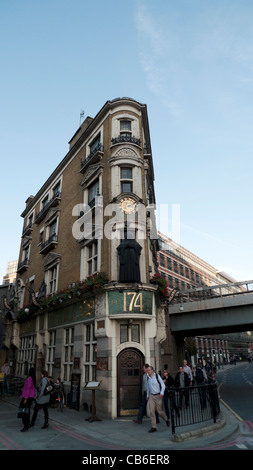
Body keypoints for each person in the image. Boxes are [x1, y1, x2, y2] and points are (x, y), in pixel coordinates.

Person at [146, 366, 170, 433]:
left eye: (149, 370)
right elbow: (148, 387)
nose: (148, 371)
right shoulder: (148, 378)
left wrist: (162, 393)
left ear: (152, 370)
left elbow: (163, 385)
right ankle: (154, 427)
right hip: (151, 396)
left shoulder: (157, 376)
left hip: (158, 395)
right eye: (147, 370)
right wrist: (147, 395)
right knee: (152, 411)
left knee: (159, 411)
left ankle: (166, 420)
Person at [18, 367, 37, 432]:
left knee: (23, 411)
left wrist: (25, 398)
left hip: (27, 397)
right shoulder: (34, 379)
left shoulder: (29, 378)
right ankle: (27, 425)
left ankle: (25, 426)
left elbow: (28, 388)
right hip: (30, 397)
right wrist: (34, 395)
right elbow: (33, 388)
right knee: (27, 411)